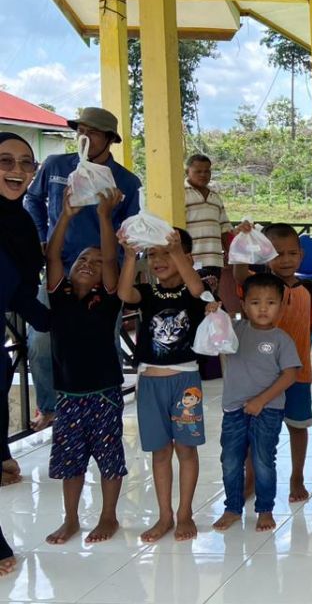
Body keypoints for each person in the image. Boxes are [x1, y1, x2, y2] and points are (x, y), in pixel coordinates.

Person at [25, 106, 141, 429]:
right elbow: (32, 201)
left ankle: (107, 403)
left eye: (92, 132)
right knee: (40, 340)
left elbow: (130, 228)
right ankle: (51, 408)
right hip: (59, 269)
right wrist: (40, 236)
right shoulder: (56, 166)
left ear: (109, 139)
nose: (84, 137)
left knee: (106, 338)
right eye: (81, 130)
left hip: (104, 276)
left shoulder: (127, 182)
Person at [44, 187, 126, 546]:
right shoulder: (59, 296)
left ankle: (109, 516)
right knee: (69, 461)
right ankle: (71, 519)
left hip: (103, 393)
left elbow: (112, 261)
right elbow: (52, 257)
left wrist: (104, 217)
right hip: (68, 395)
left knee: (109, 457)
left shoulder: (105, 298)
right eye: (82, 260)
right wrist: (66, 215)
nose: (88, 265)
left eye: (94, 263)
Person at [117, 227, 210, 543]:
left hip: (185, 382)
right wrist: (130, 255)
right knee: (159, 452)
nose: (158, 259)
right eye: (152, 253)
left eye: (166, 252)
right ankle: (165, 515)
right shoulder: (147, 292)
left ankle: (185, 513)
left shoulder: (197, 293)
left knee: (186, 449)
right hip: (150, 383)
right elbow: (123, 293)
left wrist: (176, 252)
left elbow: (196, 288)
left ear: (186, 257)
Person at [232, 222, 312, 504]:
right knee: (255, 430)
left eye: (292, 253)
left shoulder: (308, 288)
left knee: (297, 426)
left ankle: (297, 476)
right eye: (277, 253)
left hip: (298, 373)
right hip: (261, 376)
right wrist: (245, 238)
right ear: (264, 254)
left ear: (302, 255)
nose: (285, 259)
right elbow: (239, 272)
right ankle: (251, 477)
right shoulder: (260, 286)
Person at [212, 273, 300, 533]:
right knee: (230, 459)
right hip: (234, 409)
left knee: (263, 460)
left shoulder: (282, 339)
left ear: (282, 306)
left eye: (271, 302)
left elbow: (291, 374)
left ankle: (265, 509)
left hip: (268, 410)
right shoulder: (235, 331)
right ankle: (232, 508)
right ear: (244, 304)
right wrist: (213, 313)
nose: (263, 308)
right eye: (255, 302)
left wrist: (261, 400)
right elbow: (215, 329)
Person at [0, 133, 51, 574]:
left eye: (25, 163)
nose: (16, 170)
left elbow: (20, 294)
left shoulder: (18, 224)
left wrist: (69, 321)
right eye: (5, 161)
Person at [183, 154, 233, 292]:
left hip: (214, 260)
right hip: (189, 261)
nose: (203, 175)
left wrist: (229, 252)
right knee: (190, 298)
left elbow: (224, 228)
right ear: (187, 172)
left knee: (210, 299)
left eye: (207, 171)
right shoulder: (180, 194)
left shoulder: (215, 196)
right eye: (198, 171)